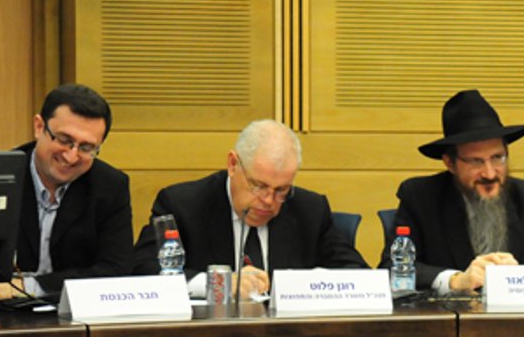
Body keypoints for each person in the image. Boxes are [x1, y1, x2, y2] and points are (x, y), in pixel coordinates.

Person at [131, 119, 365, 295]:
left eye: (281, 190)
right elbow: (143, 270)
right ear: (233, 164)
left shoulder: (310, 210)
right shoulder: (182, 205)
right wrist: (218, 284)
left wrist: (303, 284)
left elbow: (358, 274)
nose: (269, 200)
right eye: (258, 186)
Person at [385, 89, 524, 294]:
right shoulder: (421, 197)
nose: (490, 173)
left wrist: (520, 275)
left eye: (497, 157)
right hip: (449, 313)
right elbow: (391, 267)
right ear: (450, 163)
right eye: (476, 161)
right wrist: (454, 280)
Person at [0, 84, 133, 300]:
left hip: (73, 311)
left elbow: (116, 271)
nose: (71, 156)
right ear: (39, 127)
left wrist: (30, 287)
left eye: (86, 148)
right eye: (65, 141)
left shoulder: (110, 186)